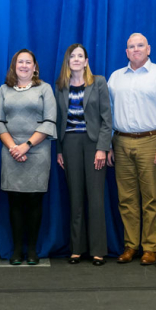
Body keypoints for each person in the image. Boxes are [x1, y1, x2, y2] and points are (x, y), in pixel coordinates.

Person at [107, 33, 156, 266]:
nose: (136, 49)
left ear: (148, 49)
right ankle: (131, 246)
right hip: (121, 142)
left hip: (152, 141)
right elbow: (108, 113)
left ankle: (150, 248)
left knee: (151, 198)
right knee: (126, 199)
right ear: (126, 51)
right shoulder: (115, 78)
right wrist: (109, 144)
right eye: (131, 46)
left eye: (140, 45)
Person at [0, 49, 57, 265]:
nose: (23, 65)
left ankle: (32, 250)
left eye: (28, 62)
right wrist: (14, 147)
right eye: (19, 62)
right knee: (15, 201)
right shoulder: (4, 89)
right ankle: (16, 250)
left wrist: (27, 146)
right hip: (10, 150)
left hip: (37, 150)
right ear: (14, 66)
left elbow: (50, 121)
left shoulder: (45, 88)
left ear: (34, 67)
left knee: (34, 201)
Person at [55, 44, 112, 266]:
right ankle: (77, 249)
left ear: (86, 61)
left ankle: (98, 250)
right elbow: (59, 121)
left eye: (80, 56)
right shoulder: (60, 86)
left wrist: (102, 148)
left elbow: (107, 119)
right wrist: (59, 150)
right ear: (67, 61)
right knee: (75, 197)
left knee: (95, 198)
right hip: (69, 143)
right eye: (73, 56)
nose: (76, 59)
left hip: (93, 144)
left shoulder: (98, 82)